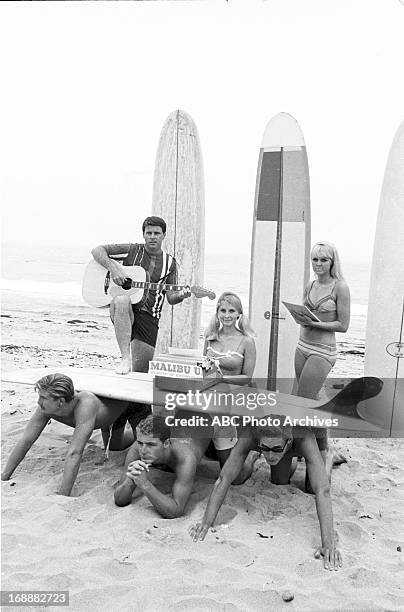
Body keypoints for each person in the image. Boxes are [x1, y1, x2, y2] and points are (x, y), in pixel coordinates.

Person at [189, 423, 342, 571]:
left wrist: (328, 545)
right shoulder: (251, 434)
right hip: (286, 442)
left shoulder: (305, 436)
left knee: (312, 487)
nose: (269, 456)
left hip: (312, 421)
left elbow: (323, 491)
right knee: (279, 480)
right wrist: (206, 522)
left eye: (275, 450)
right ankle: (290, 457)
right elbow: (224, 478)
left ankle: (328, 457)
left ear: (288, 441)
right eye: (265, 449)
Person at [91, 216, 191, 436]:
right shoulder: (131, 251)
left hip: (149, 317)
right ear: (143, 234)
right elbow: (97, 250)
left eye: (157, 233)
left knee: (138, 377)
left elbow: (171, 297)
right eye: (149, 232)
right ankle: (123, 357)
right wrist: (115, 269)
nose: (152, 236)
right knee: (122, 299)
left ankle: (133, 432)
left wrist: (181, 295)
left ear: (164, 235)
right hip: (124, 310)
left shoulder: (170, 263)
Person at [1, 374, 141, 496]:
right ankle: (128, 435)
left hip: (133, 406)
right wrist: (4, 476)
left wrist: (63, 495)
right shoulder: (47, 407)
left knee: (142, 446)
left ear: (61, 401)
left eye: (43, 397)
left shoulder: (85, 405)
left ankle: (137, 438)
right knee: (115, 448)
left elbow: (75, 452)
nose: (39, 401)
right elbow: (26, 440)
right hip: (110, 417)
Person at [114, 414, 256, 517]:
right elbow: (120, 499)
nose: (143, 450)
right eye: (140, 443)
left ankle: (252, 457)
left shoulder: (186, 458)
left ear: (166, 443)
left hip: (215, 419)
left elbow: (176, 510)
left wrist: (145, 485)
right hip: (188, 419)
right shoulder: (139, 447)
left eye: (151, 445)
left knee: (236, 477)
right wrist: (129, 480)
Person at [292, 242, 350, 489]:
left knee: (302, 407)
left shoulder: (340, 287)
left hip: (322, 351)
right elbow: (306, 313)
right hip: (302, 346)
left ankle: (316, 461)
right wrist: (301, 317)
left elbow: (343, 325)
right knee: (313, 403)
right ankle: (324, 451)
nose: (318, 265)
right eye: (314, 260)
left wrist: (317, 325)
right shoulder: (311, 284)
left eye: (323, 260)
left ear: (332, 261)